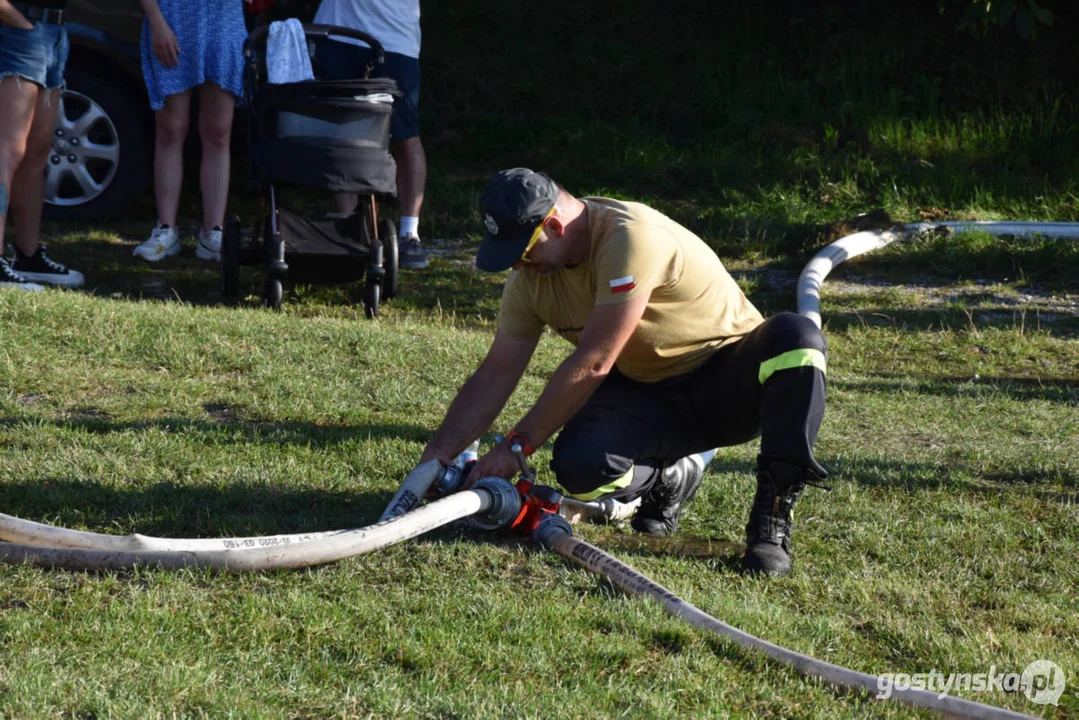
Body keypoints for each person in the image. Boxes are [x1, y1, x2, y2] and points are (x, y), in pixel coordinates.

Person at [417, 168, 830, 576]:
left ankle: (771, 522)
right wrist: (438, 455)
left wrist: (516, 446)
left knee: (797, 338)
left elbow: (595, 361)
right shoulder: (530, 279)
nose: (518, 268)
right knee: (580, 467)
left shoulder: (629, 237)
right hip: (646, 390)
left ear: (556, 226)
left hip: (727, 382)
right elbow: (496, 373)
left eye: (523, 252)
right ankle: (669, 478)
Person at [312, 0, 428, 270]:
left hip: (395, 38)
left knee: (404, 137)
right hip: (338, 32)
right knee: (339, 134)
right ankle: (351, 229)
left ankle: (409, 233)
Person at [131, 0, 250, 263]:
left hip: (224, 23)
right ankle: (165, 228)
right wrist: (156, 21)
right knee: (171, 130)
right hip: (171, 17)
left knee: (219, 132)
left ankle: (213, 232)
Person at [0, 0, 85, 290]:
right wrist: (20, 24)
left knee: (36, 153)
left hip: (53, 32)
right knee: (7, 153)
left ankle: (28, 255)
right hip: (17, 32)